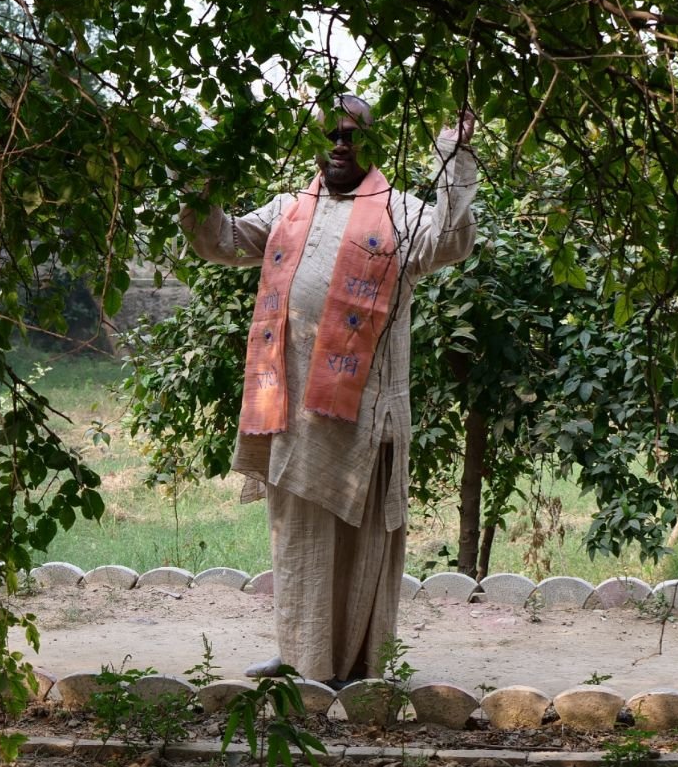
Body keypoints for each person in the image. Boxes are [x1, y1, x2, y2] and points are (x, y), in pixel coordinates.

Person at [181, 93, 477, 687]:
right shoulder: (288, 211)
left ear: (370, 143)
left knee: (364, 541)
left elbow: (452, 241)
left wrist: (456, 153)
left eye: (351, 135)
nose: (339, 145)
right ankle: (302, 659)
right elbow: (218, 241)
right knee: (299, 539)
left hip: (367, 417)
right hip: (294, 414)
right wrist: (202, 173)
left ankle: (362, 667)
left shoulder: (400, 212)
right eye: (329, 135)